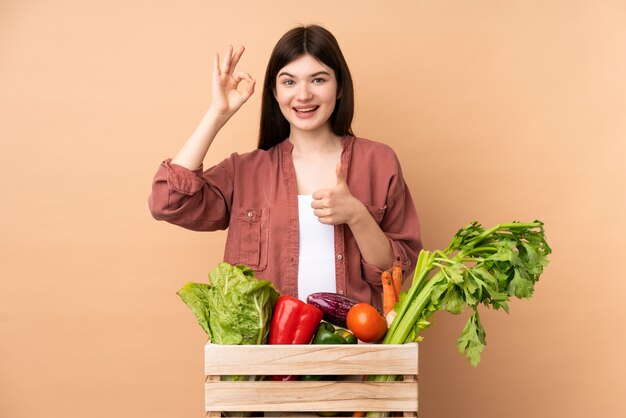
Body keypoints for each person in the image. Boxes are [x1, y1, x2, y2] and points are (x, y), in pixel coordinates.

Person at [149, 25, 422, 309]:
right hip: (265, 350)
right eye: (289, 82)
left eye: (318, 80)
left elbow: (396, 274)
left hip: (353, 346)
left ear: (339, 87)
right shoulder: (245, 171)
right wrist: (216, 114)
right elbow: (167, 201)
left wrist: (357, 216)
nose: (303, 95)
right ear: (275, 93)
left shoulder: (378, 162)